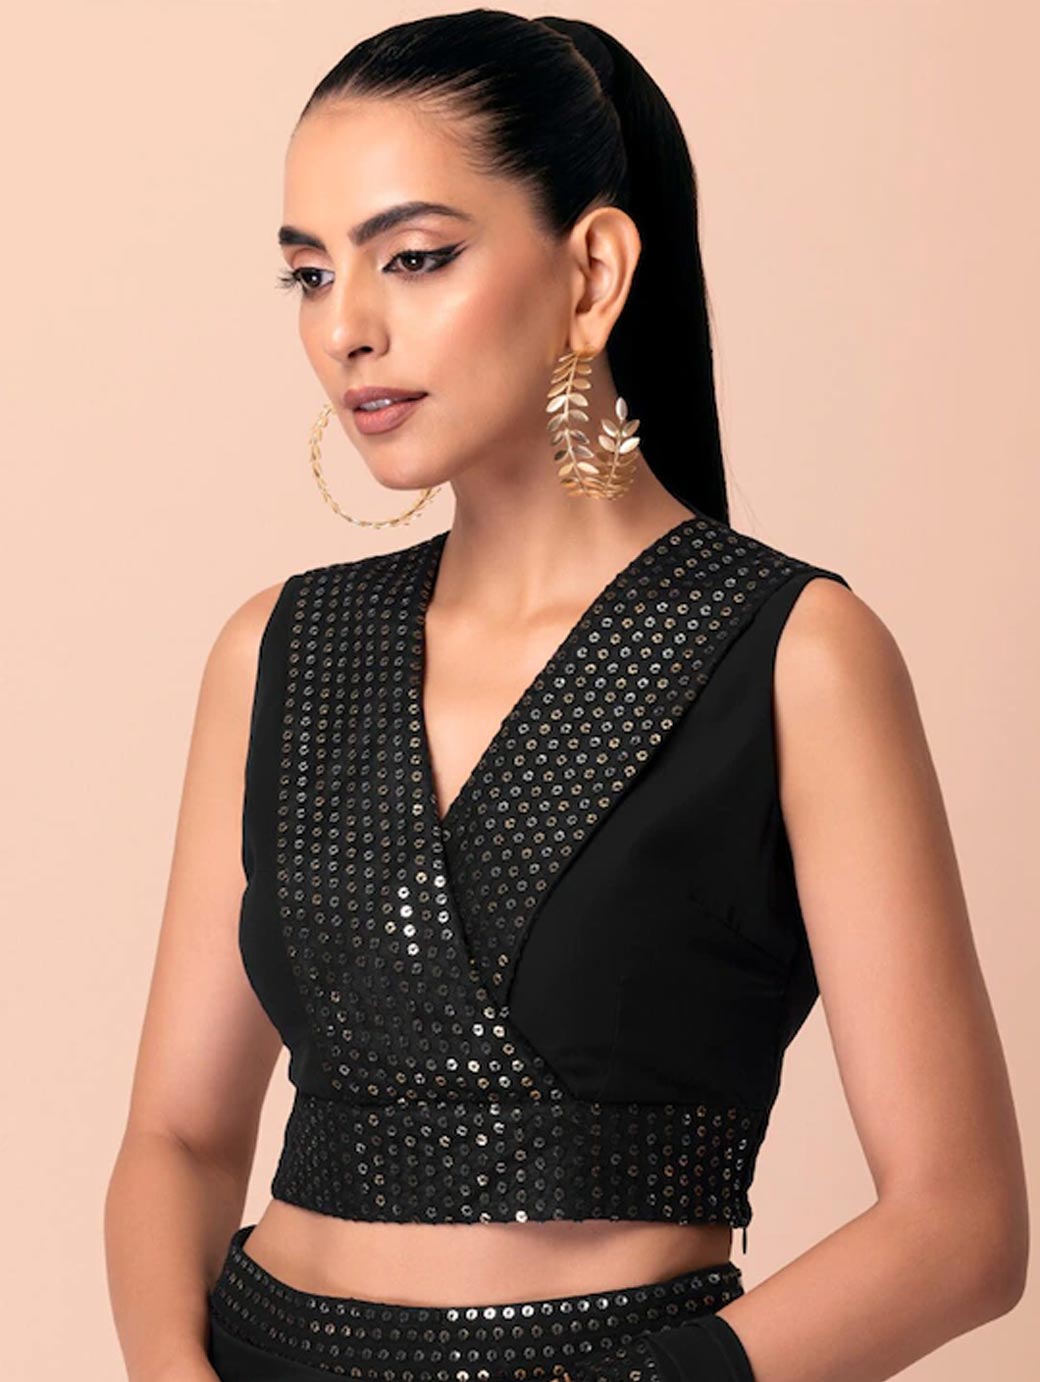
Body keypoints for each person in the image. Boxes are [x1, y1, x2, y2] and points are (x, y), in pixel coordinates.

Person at [104, 11, 1028, 1382]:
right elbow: (176, 1138)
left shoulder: (795, 656)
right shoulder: (276, 650)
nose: (346, 328)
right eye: (308, 274)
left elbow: (962, 1229)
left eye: (414, 257)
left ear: (592, 272)